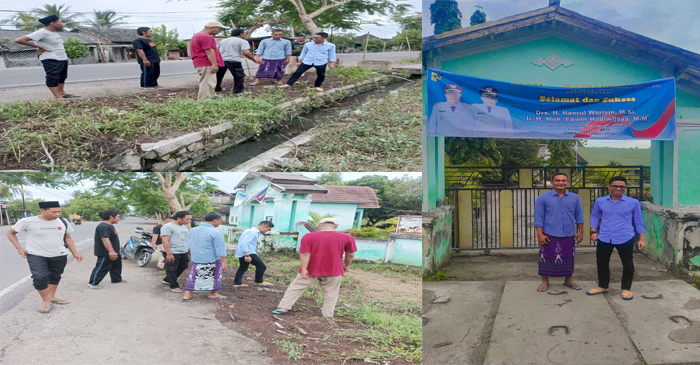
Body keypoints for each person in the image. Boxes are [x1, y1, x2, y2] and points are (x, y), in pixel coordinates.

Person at [6, 201, 83, 314]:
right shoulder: (27, 221)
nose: (57, 214)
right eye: (54, 212)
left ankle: (51, 297)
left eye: (59, 211)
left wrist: (75, 253)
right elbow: (10, 233)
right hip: (36, 255)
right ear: (42, 210)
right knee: (39, 277)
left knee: (55, 276)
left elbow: (68, 237)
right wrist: (19, 248)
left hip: (59, 254)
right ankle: (46, 300)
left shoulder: (63, 221)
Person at [273, 218, 356, 317]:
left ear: (319, 225)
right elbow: (350, 254)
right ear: (336, 226)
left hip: (311, 269)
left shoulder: (309, 236)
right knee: (331, 293)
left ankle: (283, 307)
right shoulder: (347, 237)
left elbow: (304, 254)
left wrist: (304, 269)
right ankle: (328, 314)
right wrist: (346, 265)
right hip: (333, 270)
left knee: (296, 288)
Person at [587, 176, 646, 300]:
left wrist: (642, 239)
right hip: (604, 236)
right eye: (615, 186)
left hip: (625, 237)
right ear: (609, 187)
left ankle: (626, 288)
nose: (618, 188)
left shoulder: (633, 203)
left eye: (621, 186)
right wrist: (593, 231)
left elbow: (639, 221)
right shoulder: (600, 201)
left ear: (625, 188)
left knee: (628, 264)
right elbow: (594, 216)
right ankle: (603, 286)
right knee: (601, 263)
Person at [534, 172, 585, 292]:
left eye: (563, 180)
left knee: (568, 257)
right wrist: (540, 234)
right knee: (546, 258)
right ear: (552, 182)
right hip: (549, 233)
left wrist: (580, 232)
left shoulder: (574, 197)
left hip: (568, 234)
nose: (561, 183)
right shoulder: (543, 198)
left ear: (567, 182)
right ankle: (545, 281)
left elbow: (579, 217)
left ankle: (568, 280)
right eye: (557, 180)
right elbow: (538, 218)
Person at [13, 16, 79, 101]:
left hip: (61, 58)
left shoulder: (54, 33)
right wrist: (38, 47)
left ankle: (61, 93)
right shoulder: (42, 32)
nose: (62, 24)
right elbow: (19, 40)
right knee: (53, 77)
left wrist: (65, 58)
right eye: (60, 22)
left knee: (62, 76)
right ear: (53, 23)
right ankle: (57, 96)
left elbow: (57, 46)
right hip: (51, 58)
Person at [182, 212, 228, 301]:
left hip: (197, 258)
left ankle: (186, 295)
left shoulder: (193, 230)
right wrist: (224, 262)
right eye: (221, 221)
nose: (221, 223)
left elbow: (189, 244)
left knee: (193, 276)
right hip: (212, 259)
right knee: (215, 276)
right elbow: (220, 249)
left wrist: (192, 253)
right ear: (215, 221)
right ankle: (213, 293)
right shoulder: (217, 233)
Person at [216, 28, 263, 94]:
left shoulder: (222, 41)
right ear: (241, 34)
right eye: (245, 33)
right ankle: (238, 91)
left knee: (219, 75)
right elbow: (246, 53)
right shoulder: (242, 41)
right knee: (239, 76)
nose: (246, 35)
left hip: (222, 60)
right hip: (234, 60)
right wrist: (254, 60)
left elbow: (216, 51)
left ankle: (217, 88)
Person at [190, 21, 228, 101]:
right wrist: (214, 64)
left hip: (200, 62)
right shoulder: (206, 37)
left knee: (208, 81)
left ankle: (213, 97)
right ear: (212, 28)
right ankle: (203, 102)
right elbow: (209, 51)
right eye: (219, 29)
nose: (219, 31)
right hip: (206, 62)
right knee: (207, 83)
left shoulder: (196, 36)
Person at [88, 210, 125, 289]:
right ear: (111, 217)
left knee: (116, 266)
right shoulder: (103, 226)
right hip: (106, 252)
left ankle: (116, 279)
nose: (119, 219)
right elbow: (105, 239)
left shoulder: (109, 225)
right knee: (102, 267)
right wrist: (111, 251)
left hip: (114, 251)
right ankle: (93, 283)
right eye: (118, 217)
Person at [233, 221, 275, 288]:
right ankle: (259, 281)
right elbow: (244, 243)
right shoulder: (253, 232)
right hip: (249, 252)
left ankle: (237, 283)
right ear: (265, 226)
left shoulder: (249, 230)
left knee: (243, 268)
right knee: (262, 266)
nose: (267, 231)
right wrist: (247, 255)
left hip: (243, 252)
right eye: (268, 229)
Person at [161, 210, 192, 293]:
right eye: (187, 219)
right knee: (172, 269)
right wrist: (169, 254)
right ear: (179, 218)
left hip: (183, 251)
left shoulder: (184, 227)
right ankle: (173, 285)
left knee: (184, 266)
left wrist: (189, 249)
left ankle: (168, 279)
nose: (189, 221)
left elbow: (185, 238)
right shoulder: (167, 227)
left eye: (190, 219)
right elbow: (165, 241)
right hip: (172, 251)